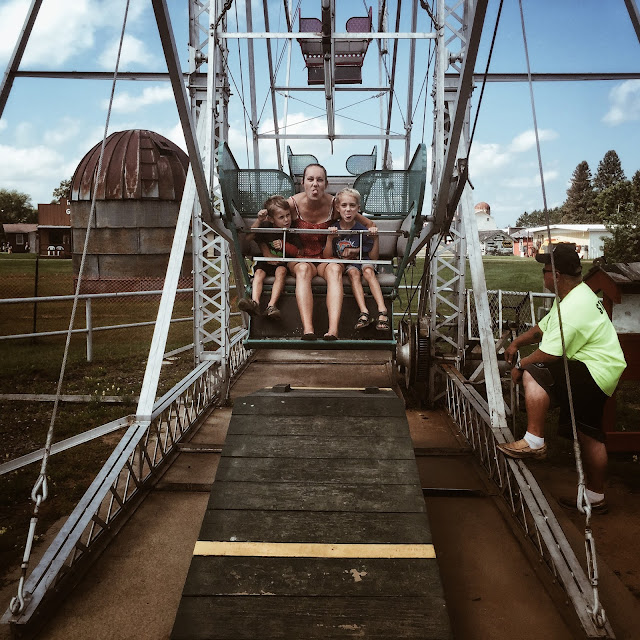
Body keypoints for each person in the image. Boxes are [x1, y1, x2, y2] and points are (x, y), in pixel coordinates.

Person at [497, 243, 626, 514]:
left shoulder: (574, 307)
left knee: (535, 371)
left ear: (555, 275)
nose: (542, 276)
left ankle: (534, 440)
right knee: (588, 433)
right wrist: (517, 343)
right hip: (598, 369)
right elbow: (542, 330)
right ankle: (595, 497)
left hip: (593, 371)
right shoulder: (573, 296)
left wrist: (520, 364)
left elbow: (549, 354)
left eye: (544, 271)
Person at [285, 163, 373, 340]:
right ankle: (308, 330)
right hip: (301, 257)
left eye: (319, 180)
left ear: (326, 184)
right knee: (302, 269)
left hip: (326, 256)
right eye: (310, 179)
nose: (315, 184)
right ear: (303, 182)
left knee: (334, 269)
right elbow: (273, 217)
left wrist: (357, 248)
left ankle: (333, 330)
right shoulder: (292, 204)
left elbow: (368, 224)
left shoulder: (335, 204)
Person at [323, 188, 388, 337]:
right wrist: (330, 238)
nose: (348, 210)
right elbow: (327, 256)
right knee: (353, 273)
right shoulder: (334, 229)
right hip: (350, 265)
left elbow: (373, 257)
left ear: (358, 208)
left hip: (363, 261)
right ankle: (364, 311)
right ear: (337, 208)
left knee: (368, 271)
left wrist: (375, 238)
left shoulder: (362, 229)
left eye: (352, 206)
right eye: (344, 205)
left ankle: (382, 310)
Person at [238, 195, 302, 319]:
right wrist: (259, 220)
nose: (286, 220)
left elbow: (299, 251)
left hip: (282, 262)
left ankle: (272, 305)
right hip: (266, 261)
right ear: (271, 219)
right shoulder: (266, 226)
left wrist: (285, 246)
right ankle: (255, 302)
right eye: (281, 217)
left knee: (281, 271)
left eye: (288, 215)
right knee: (259, 273)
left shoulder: (293, 230)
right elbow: (249, 237)